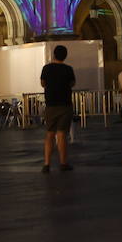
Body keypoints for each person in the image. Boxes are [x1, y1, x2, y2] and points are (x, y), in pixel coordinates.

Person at [40, 45, 76, 173]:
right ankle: (63, 162)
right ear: (65, 56)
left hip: (50, 105)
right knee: (61, 134)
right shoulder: (68, 69)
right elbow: (72, 83)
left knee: (49, 134)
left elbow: (43, 83)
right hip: (65, 105)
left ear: (54, 55)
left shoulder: (46, 68)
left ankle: (46, 163)